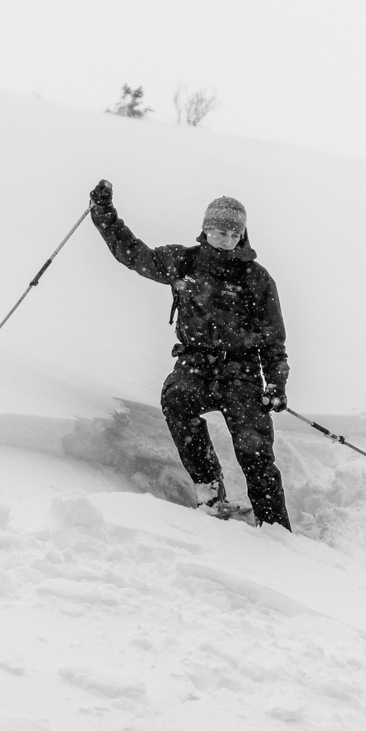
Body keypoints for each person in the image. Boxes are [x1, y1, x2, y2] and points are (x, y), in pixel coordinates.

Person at [87, 180, 292, 530]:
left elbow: (273, 341)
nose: (227, 239)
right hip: (194, 364)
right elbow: (133, 254)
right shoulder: (184, 261)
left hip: (241, 374)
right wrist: (103, 213)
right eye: (220, 231)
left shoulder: (256, 278)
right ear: (206, 229)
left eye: (234, 233)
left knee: (254, 448)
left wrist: (276, 383)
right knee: (176, 398)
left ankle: (275, 525)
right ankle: (210, 494)